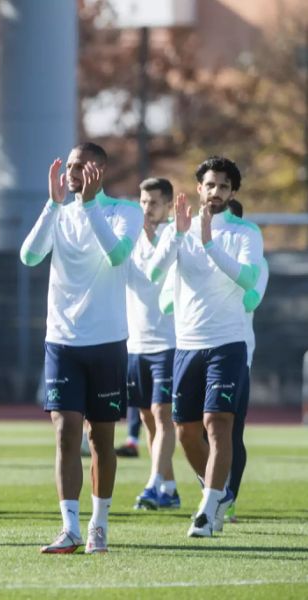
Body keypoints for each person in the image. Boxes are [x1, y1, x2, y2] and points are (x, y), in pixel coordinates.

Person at [20, 142, 143, 554]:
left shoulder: (124, 211)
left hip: (107, 342)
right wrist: (52, 206)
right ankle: (69, 528)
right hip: (62, 341)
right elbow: (29, 256)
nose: (72, 172)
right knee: (65, 432)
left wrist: (90, 207)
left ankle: (99, 525)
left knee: (101, 439)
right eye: (69, 166)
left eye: (81, 166)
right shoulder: (60, 212)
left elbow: (117, 255)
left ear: (100, 169)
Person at [147, 156, 263, 537]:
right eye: (210, 185)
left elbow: (247, 280)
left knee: (219, 425)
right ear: (198, 188)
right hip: (187, 346)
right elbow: (154, 273)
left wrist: (210, 242)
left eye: (224, 186)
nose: (216, 192)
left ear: (233, 193)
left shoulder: (245, 233)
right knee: (185, 432)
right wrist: (180, 235)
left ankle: (207, 509)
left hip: (228, 344)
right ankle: (218, 492)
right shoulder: (179, 230)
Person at [126, 178, 179, 510]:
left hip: (168, 342)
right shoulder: (129, 237)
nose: (147, 209)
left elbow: (161, 274)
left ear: (169, 205)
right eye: (144, 202)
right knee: (147, 418)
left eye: (155, 203)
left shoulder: (176, 235)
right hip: (135, 343)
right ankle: (169, 488)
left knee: (163, 414)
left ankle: (152, 484)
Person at [221, 198, 269, 524]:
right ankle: (213, 492)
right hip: (196, 348)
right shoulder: (199, 247)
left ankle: (230, 500)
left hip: (237, 352)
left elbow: (251, 299)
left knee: (231, 431)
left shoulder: (257, 264)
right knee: (192, 429)